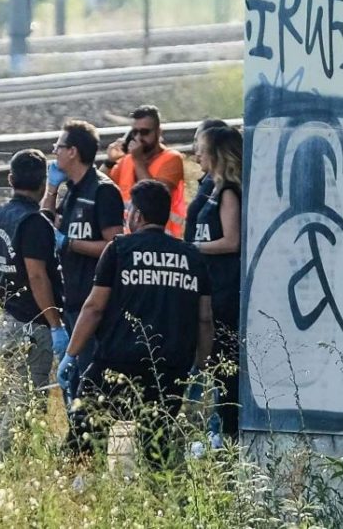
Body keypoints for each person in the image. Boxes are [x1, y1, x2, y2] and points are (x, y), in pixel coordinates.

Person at [57, 180, 214, 466]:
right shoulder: (192, 256)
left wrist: (71, 354)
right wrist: (202, 368)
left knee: (85, 438)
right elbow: (204, 318)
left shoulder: (119, 249)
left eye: (130, 210)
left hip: (115, 366)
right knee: (157, 451)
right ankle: (159, 502)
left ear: (138, 215)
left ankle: (79, 496)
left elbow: (93, 307)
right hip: (168, 369)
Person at [0, 149, 68, 459]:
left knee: (9, 397)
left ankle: (3, 459)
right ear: (43, 182)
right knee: (28, 401)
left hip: (8, 321)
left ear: (10, 179)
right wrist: (55, 324)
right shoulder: (34, 224)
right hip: (34, 326)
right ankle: (12, 466)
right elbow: (37, 276)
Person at [42, 120, 124, 397]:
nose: (54, 151)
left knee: (87, 386)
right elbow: (47, 223)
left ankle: (89, 438)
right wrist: (51, 190)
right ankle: (77, 438)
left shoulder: (102, 190)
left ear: (73, 151)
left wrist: (70, 243)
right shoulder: (73, 188)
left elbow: (115, 246)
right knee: (70, 384)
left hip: (93, 303)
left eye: (59, 146)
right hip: (70, 299)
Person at [189, 126, 243, 443]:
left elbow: (232, 240)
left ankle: (224, 430)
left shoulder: (228, 192)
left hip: (224, 287)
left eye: (202, 149)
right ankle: (213, 427)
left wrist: (194, 248)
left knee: (222, 358)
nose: (197, 154)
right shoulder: (210, 188)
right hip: (208, 282)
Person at [103, 105, 187, 238]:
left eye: (145, 132)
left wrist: (138, 160)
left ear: (159, 132)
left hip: (163, 239)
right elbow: (102, 187)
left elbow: (154, 199)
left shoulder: (171, 159)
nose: (138, 137)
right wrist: (109, 162)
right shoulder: (127, 160)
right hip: (131, 238)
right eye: (134, 132)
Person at [185, 118, 229, 244]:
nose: (195, 149)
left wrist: (195, 248)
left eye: (198, 142)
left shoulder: (223, 186)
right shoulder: (209, 180)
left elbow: (231, 240)